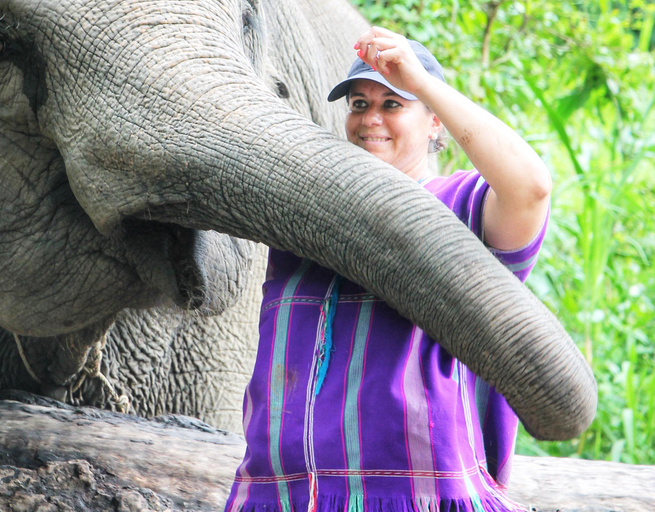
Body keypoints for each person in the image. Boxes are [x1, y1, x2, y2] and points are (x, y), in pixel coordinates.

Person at [225, 26, 551, 512]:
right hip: (280, 493)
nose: (370, 118)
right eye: (359, 104)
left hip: (415, 495)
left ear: (434, 122)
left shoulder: (462, 208)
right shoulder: (302, 212)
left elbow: (531, 188)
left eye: (392, 104)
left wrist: (422, 83)